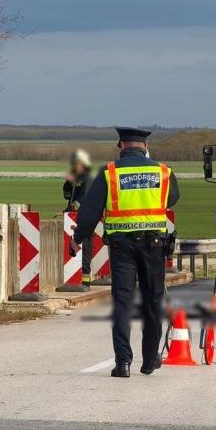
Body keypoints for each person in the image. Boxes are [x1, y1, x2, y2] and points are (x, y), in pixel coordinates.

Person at [71, 127, 180, 378]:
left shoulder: (109, 173)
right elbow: (172, 199)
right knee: (153, 301)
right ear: (145, 147)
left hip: (122, 248)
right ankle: (150, 360)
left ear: (121, 145)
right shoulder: (163, 171)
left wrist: (77, 239)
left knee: (123, 303)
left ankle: (123, 363)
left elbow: (90, 210)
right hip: (154, 246)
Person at [63, 149, 94, 287]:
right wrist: (68, 183)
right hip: (73, 217)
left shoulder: (88, 179)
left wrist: (73, 208)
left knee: (85, 247)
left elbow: (84, 197)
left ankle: (85, 280)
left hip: (83, 218)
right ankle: (74, 278)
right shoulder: (76, 179)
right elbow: (66, 195)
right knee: (72, 248)